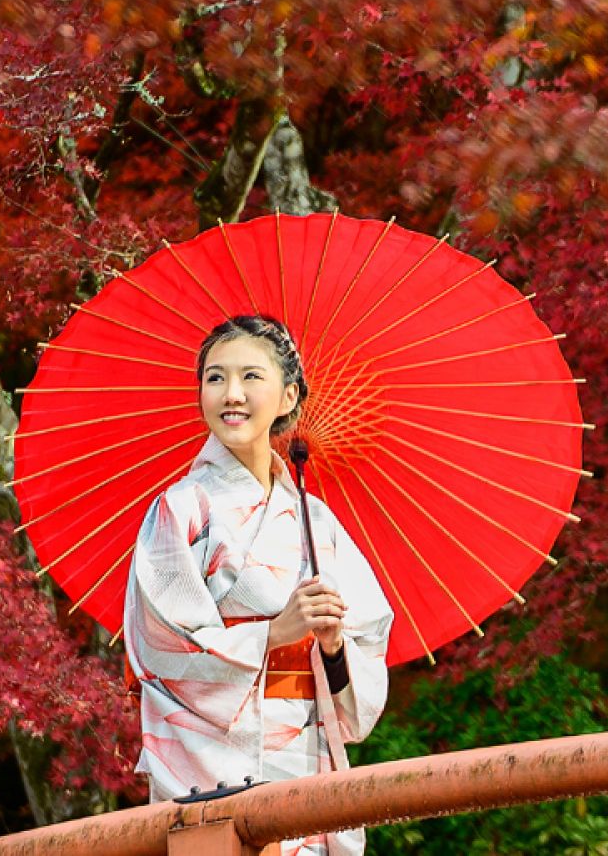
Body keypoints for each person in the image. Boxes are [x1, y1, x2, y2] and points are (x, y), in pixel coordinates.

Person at [124, 313, 394, 856]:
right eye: (215, 377)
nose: (232, 394)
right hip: (214, 755)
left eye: (251, 377)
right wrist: (274, 633)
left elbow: (368, 637)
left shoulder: (315, 519)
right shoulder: (180, 510)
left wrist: (334, 643)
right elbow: (163, 647)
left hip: (306, 744)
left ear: (288, 395)